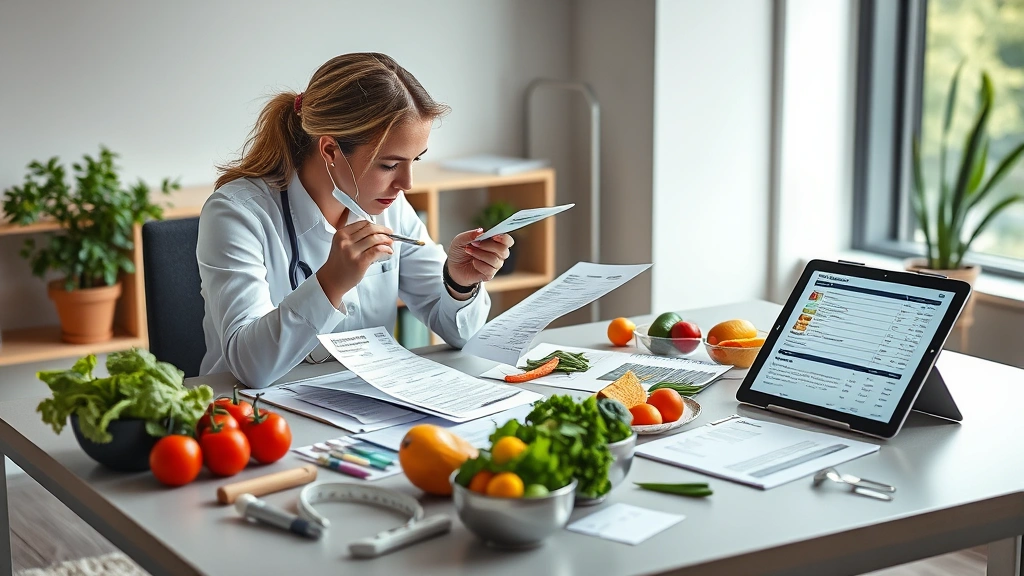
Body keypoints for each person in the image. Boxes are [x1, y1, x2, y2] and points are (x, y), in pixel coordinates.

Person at [197, 53, 512, 388]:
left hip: (361, 406)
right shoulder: (237, 213)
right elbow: (251, 368)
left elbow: (466, 336)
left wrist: (459, 283)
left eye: (414, 160)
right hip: (250, 416)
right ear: (330, 150)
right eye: (389, 165)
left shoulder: (388, 205)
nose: (407, 183)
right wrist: (330, 284)